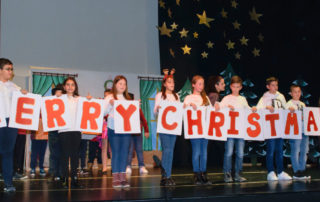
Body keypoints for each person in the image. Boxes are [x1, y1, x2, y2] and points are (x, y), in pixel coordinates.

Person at [218, 76, 255, 182]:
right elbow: (218, 107)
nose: (235, 89)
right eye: (234, 87)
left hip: (240, 131)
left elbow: (248, 110)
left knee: (240, 153)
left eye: (238, 87)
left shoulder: (242, 99)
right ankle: (227, 173)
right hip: (230, 131)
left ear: (241, 87)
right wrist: (224, 107)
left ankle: (238, 173)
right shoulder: (226, 98)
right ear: (230, 87)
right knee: (228, 152)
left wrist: (253, 109)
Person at [0, 58, 28, 192]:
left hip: (10, 123)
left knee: (8, 153)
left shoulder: (13, 86)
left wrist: (24, 93)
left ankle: (8, 183)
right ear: (0, 70)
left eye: (11, 69)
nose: (10, 72)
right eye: (7, 69)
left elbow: (25, 100)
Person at [256, 77, 292, 181]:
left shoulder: (281, 96)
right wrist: (266, 107)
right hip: (270, 128)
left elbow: (285, 108)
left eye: (276, 85)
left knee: (280, 151)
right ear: (268, 86)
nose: (275, 87)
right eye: (272, 85)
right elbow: (258, 108)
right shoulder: (265, 97)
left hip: (279, 128)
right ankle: (270, 172)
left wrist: (290, 109)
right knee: (270, 150)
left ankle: (280, 172)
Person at [104, 75, 132, 188]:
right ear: (115, 84)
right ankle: (116, 178)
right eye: (120, 83)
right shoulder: (109, 97)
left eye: (124, 84)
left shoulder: (128, 99)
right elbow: (103, 112)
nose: (122, 86)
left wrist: (136, 106)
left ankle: (123, 178)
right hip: (113, 128)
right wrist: (110, 105)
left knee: (124, 153)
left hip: (126, 129)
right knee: (115, 153)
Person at [152, 69, 180, 186]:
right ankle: (165, 176)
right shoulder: (160, 95)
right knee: (167, 150)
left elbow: (179, 111)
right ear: (164, 84)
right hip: (164, 127)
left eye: (173, 82)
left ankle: (168, 175)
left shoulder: (176, 96)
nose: (172, 84)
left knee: (171, 151)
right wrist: (158, 109)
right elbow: (155, 111)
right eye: (169, 82)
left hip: (173, 127)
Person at [183, 75, 212, 185]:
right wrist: (189, 105)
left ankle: (204, 173)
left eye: (203, 84)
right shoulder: (188, 97)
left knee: (204, 152)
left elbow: (210, 112)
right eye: (199, 83)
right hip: (195, 129)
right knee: (197, 152)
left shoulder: (206, 98)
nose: (201, 86)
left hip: (204, 129)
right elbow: (183, 110)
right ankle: (196, 174)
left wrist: (217, 106)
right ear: (193, 85)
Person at [58, 77, 83, 188]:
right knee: (64, 155)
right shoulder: (59, 98)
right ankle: (63, 178)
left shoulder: (79, 99)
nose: (70, 87)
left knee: (74, 156)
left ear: (75, 87)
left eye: (72, 84)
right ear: (64, 87)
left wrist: (89, 100)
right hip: (64, 130)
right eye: (67, 84)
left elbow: (89, 108)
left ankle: (74, 178)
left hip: (76, 130)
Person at [286, 85, 310, 180]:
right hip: (294, 131)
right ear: (291, 93)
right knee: (295, 151)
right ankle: (296, 171)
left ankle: (302, 170)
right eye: (295, 92)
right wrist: (289, 111)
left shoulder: (303, 104)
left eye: (298, 91)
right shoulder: (288, 104)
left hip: (304, 130)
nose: (297, 94)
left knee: (304, 151)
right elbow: (285, 116)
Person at [206, 75, 226, 168]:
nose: (224, 85)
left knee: (208, 150)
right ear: (216, 85)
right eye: (222, 83)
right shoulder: (214, 95)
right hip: (214, 127)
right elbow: (213, 111)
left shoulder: (212, 94)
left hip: (212, 127)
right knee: (222, 150)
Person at [125, 108, 149, 175]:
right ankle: (128, 166)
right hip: (129, 131)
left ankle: (141, 166)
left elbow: (143, 119)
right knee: (130, 150)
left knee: (139, 150)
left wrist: (146, 130)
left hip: (138, 132)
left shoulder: (137, 108)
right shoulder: (125, 107)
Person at [48, 84, 64, 181]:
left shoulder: (66, 103)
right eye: (58, 93)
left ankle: (61, 173)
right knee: (54, 153)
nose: (59, 95)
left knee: (62, 153)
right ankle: (53, 172)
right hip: (53, 130)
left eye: (61, 93)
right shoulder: (49, 103)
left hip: (63, 130)